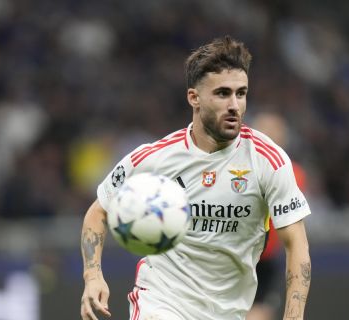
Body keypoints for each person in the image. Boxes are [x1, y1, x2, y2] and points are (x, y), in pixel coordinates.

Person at [80, 36, 311, 320]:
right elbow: (98, 211)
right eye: (223, 93)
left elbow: (296, 243)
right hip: (162, 302)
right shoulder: (156, 158)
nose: (235, 105)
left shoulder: (268, 161)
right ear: (194, 98)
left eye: (241, 93)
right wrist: (93, 277)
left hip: (230, 311)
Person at [247, 112, 308, 320]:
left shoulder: (292, 174)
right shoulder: (233, 170)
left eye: (274, 134)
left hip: (264, 262)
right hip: (231, 257)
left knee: (258, 313)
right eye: (262, 133)